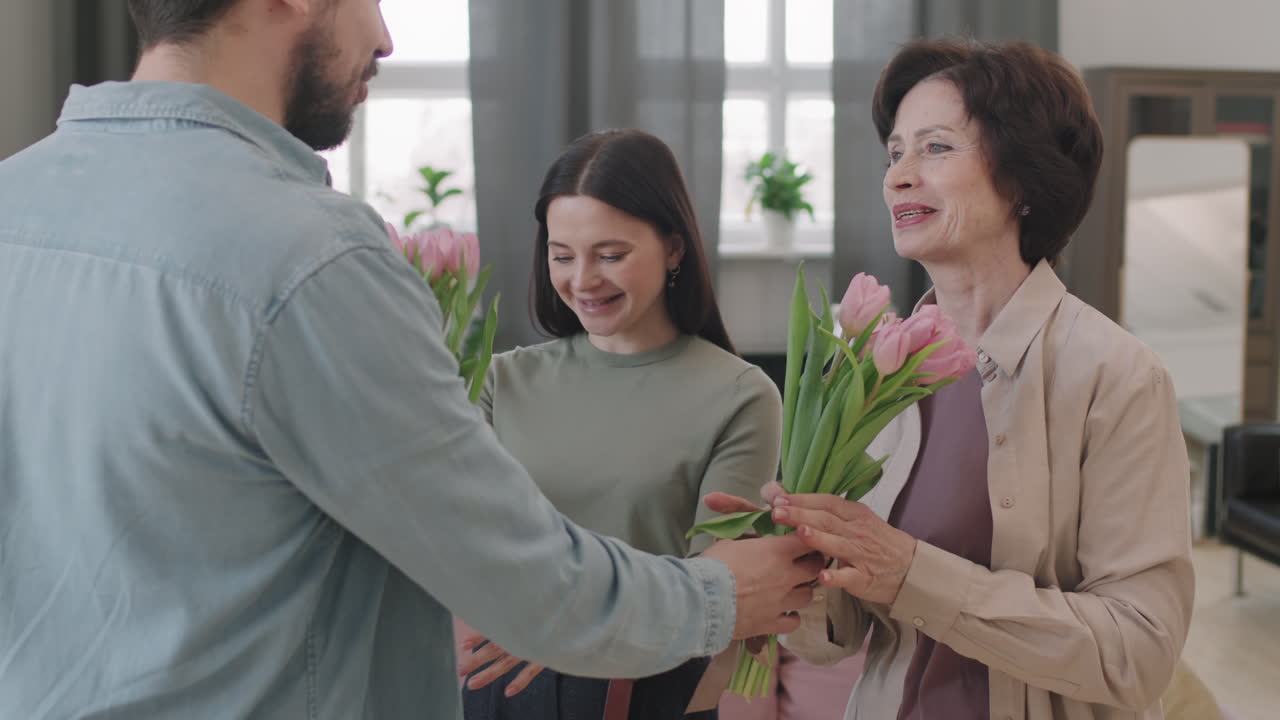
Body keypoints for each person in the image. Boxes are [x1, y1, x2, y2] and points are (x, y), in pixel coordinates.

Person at [0, 1, 826, 718]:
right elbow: (528, 580)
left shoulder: (15, 206)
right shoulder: (313, 258)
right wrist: (721, 595)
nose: (386, 36)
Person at [708, 39, 1195, 719]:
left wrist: (912, 573)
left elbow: (1138, 655)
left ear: (1023, 177)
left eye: (934, 148)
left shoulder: (1116, 376)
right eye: (894, 154)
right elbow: (833, 640)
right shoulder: (871, 367)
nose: (899, 176)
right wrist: (792, 554)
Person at [453, 128, 785, 720]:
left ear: (674, 249)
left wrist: (553, 617)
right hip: (495, 688)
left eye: (610, 255)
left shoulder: (739, 395)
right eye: (562, 256)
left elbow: (720, 583)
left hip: (646, 695)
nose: (582, 280)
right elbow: (465, 538)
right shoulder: (501, 383)